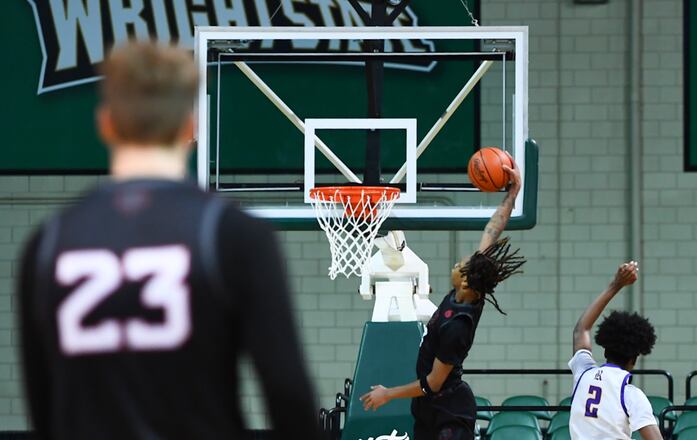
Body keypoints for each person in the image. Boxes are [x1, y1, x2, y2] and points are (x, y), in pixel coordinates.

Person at [17, 42, 320, 440]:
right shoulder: (233, 233)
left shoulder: (48, 243)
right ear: (190, 126)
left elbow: (44, 408)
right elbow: (287, 392)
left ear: (106, 123)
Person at [360, 160, 526, 440]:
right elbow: (492, 231)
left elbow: (433, 383)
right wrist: (512, 193)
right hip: (429, 410)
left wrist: (388, 394)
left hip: (450, 410)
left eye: (458, 265)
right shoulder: (468, 291)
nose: (455, 265)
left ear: (464, 280)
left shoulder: (458, 327)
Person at [569, 263, 697, 440]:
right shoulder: (631, 395)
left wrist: (616, 284)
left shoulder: (583, 373)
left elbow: (581, 329)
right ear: (634, 358)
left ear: (606, 348)